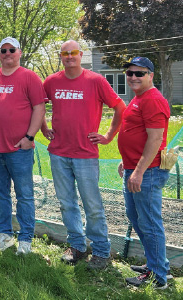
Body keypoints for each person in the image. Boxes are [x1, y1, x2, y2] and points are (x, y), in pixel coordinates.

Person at [41, 40, 126, 269]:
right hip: (58, 152)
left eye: (74, 53)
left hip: (85, 154)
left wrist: (108, 136)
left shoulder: (95, 80)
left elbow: (119, 107)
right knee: (66, 203)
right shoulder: (51, 81)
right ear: (61, 56)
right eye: (65, 53)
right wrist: (43, 127)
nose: (70, 56)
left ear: (81, 55)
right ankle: (77, 246)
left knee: (92, 204)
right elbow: (37, 105)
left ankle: (101, 251)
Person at [0, 37, 46, 255]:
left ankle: (25, 240)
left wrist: (30, 137)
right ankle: (4, 235)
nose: (7, 53)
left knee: (24, 195)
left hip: (19, 150)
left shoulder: (29, 77)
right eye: (3, 50)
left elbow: (39, 108)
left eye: (11, 50)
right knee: (0, 194)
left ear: (19, 52)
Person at [117, 57, 171, 289]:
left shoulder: (153, 100)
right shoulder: (139, 98)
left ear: (150, 75)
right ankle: (155, 265)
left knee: (149, 223)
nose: (133, 77)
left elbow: (156, 139)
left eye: (139, 73)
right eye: (129, 73)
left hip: (147, 173)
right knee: (138, 219)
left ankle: (159, 277)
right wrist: (125, 161)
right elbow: (134, 133)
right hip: (134, 169)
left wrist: (138, 171)